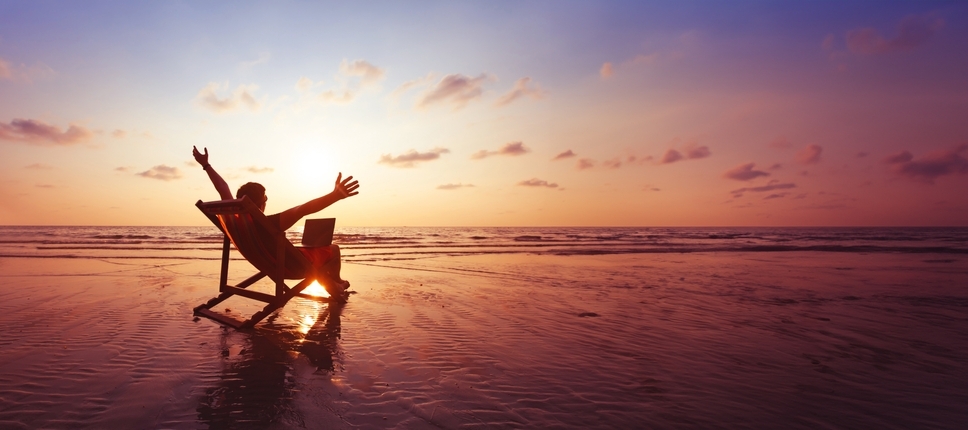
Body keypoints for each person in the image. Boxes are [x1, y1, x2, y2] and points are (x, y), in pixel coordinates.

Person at [192, 146, 360, 299]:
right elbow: (303, 209)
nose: (266, 202)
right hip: (291, 268)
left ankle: (335, 286)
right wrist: (335, 196)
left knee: (309, 254)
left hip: (267, 264)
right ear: (259, 204)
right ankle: (338, 282)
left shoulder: (235, 223)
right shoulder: (266, 224)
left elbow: (223, 188)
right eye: (265, 199)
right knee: (333, 249)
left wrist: (206, 165)